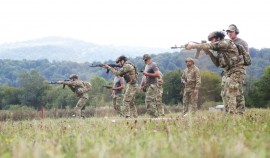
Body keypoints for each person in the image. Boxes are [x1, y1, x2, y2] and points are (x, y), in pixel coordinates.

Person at [186, 31, 245, 114]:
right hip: (228, 72)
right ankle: (230, 113)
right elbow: (217, 63)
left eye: (212, 39)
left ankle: (233, 115)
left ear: (218, 38)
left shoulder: (225, 43)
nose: (211, 42)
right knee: (225, 93)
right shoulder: (220, 50)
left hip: (237, 70)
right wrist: (209, 54)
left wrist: (193, 46)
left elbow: (211, 46)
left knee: (231, 91)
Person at [226, 24, 249, 114]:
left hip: (239, 70)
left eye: (231, 31)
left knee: (233, 90)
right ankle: (240, 113)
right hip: (230, 70)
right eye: (228, 32)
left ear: (236, 32)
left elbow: (247, 57)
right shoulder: (227, 42)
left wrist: (242, 70)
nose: (229, 33)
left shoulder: (242, 42)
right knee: (238, 92)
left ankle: (235, 113)